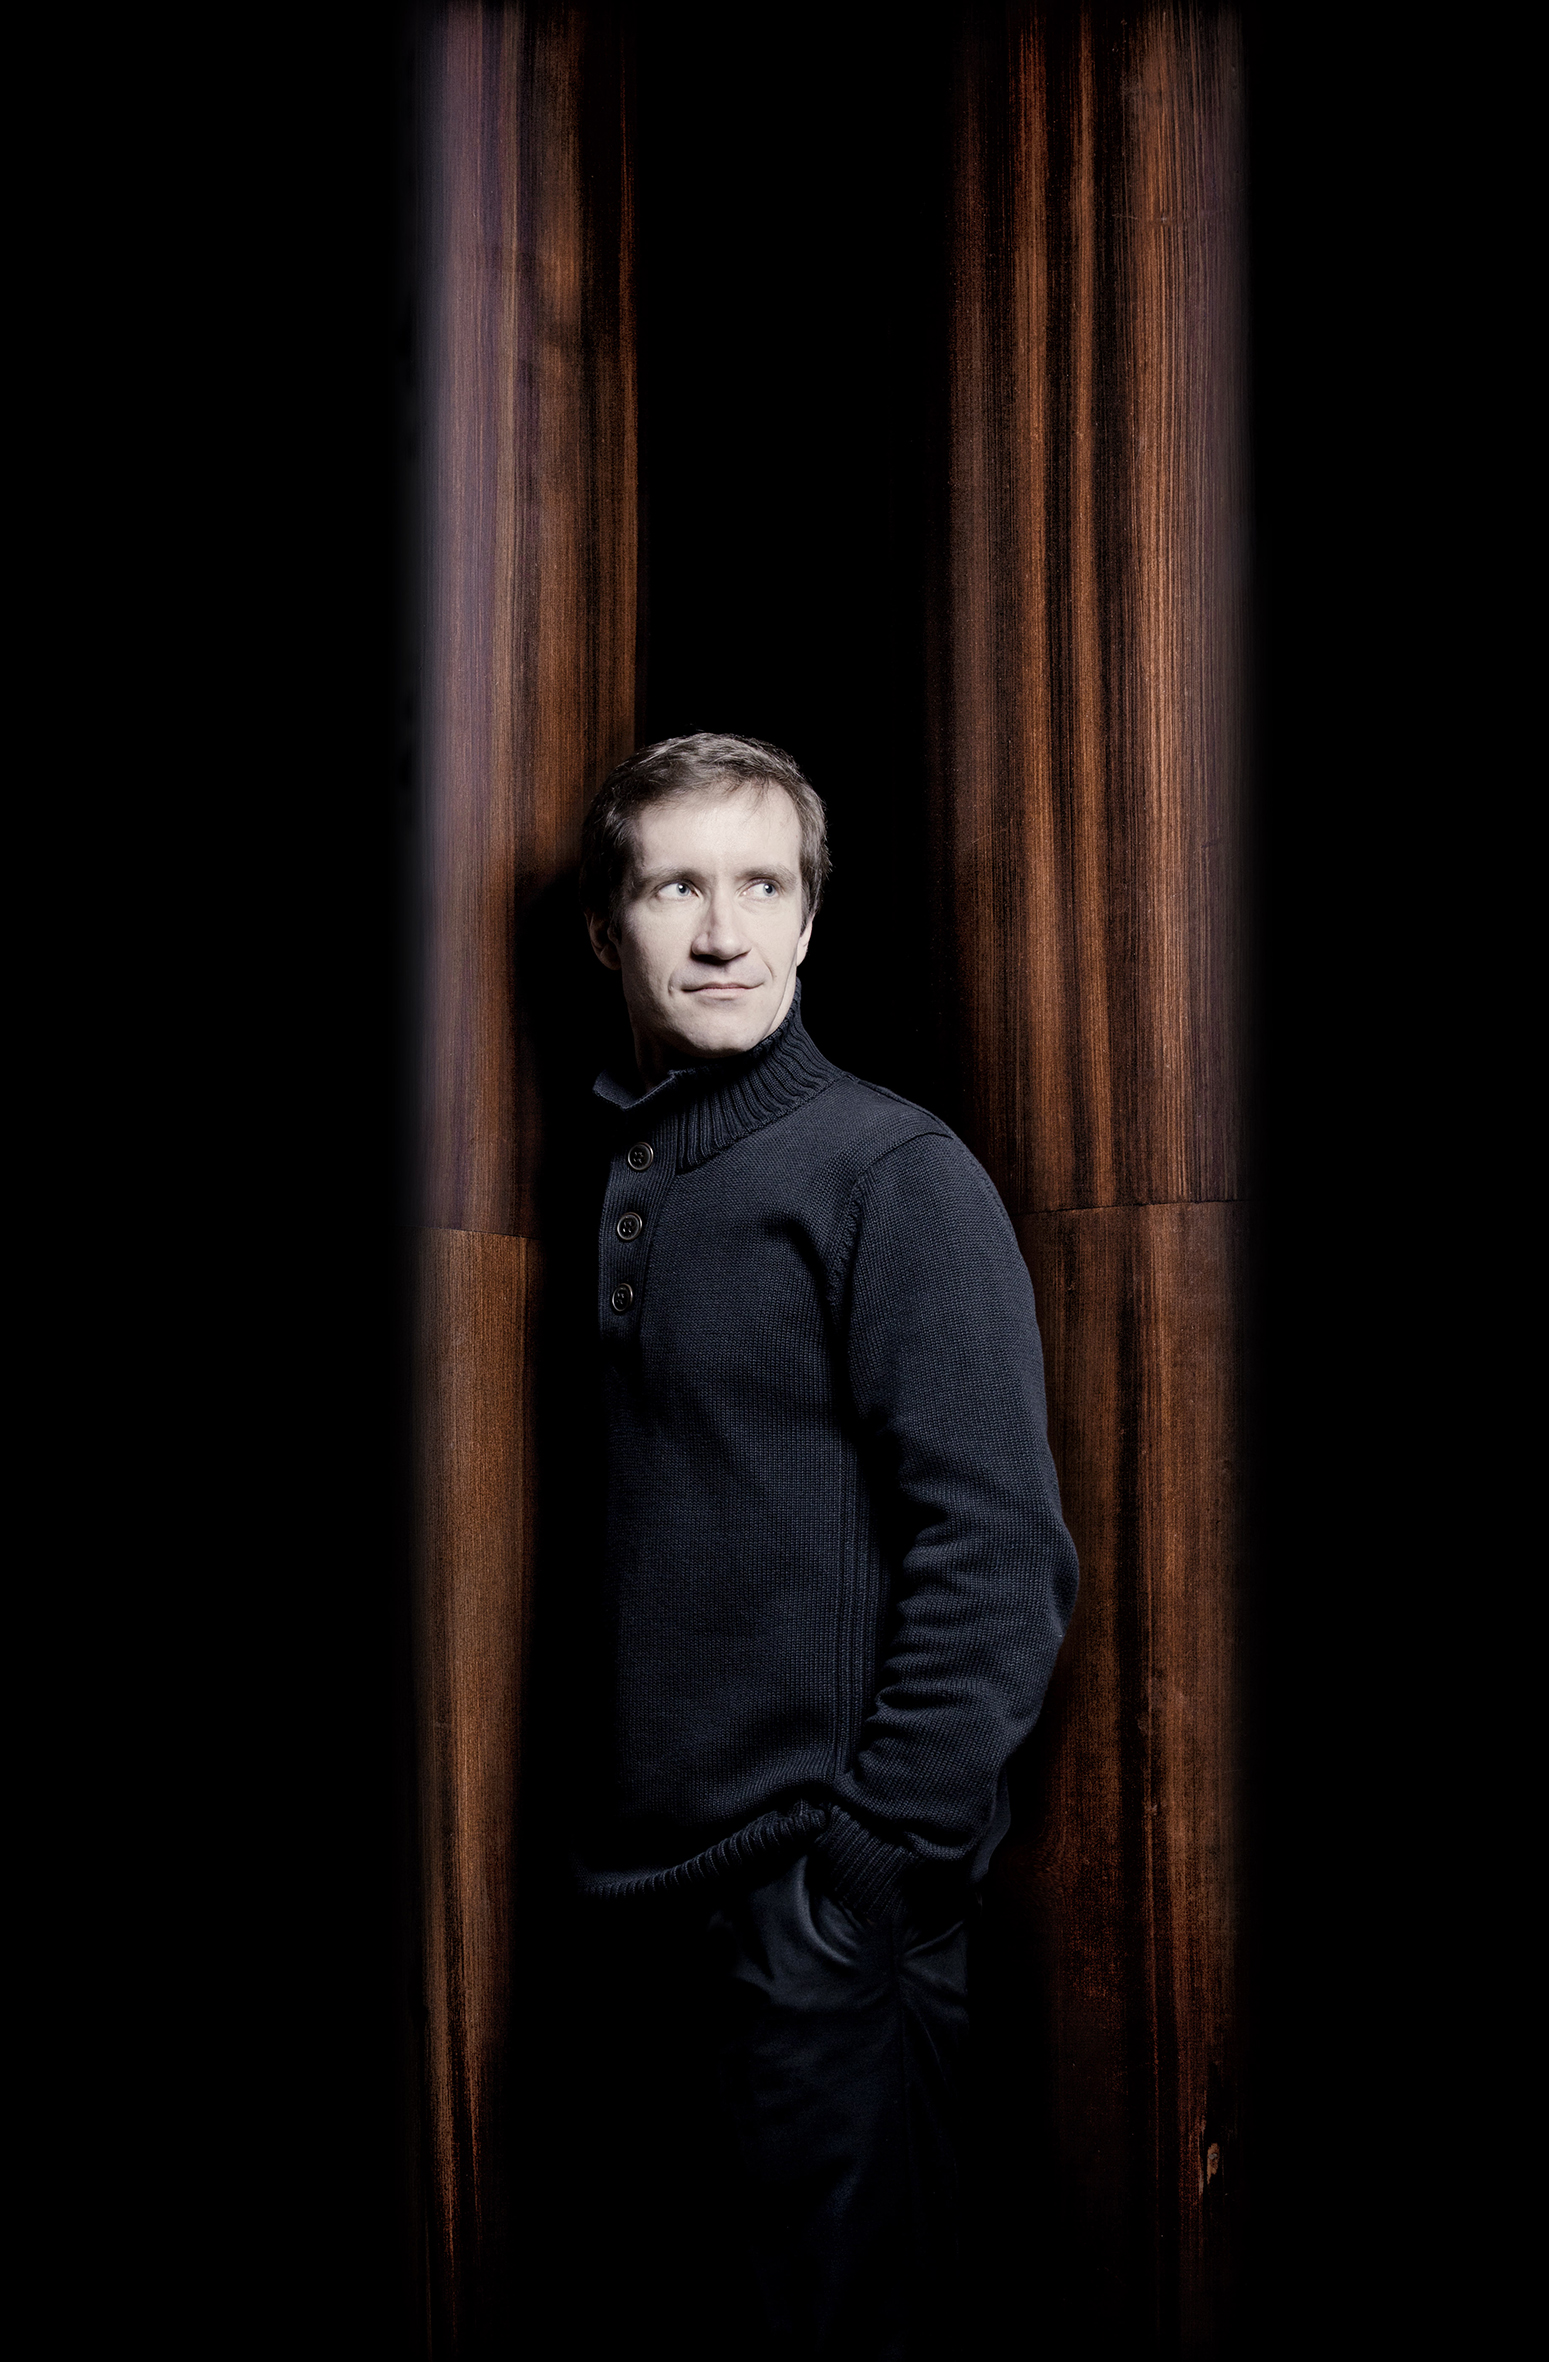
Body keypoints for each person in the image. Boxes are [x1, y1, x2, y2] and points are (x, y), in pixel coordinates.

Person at [554, 730, 1078, 2359]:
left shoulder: (887, 1171)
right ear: (605, 930)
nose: (723, 931)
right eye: (675, 888)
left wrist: (863, 1869)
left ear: (808, 916)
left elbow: (998, 1553)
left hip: (813, 1923)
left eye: (761, 884)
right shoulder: (622, 1173)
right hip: (633, 1917)